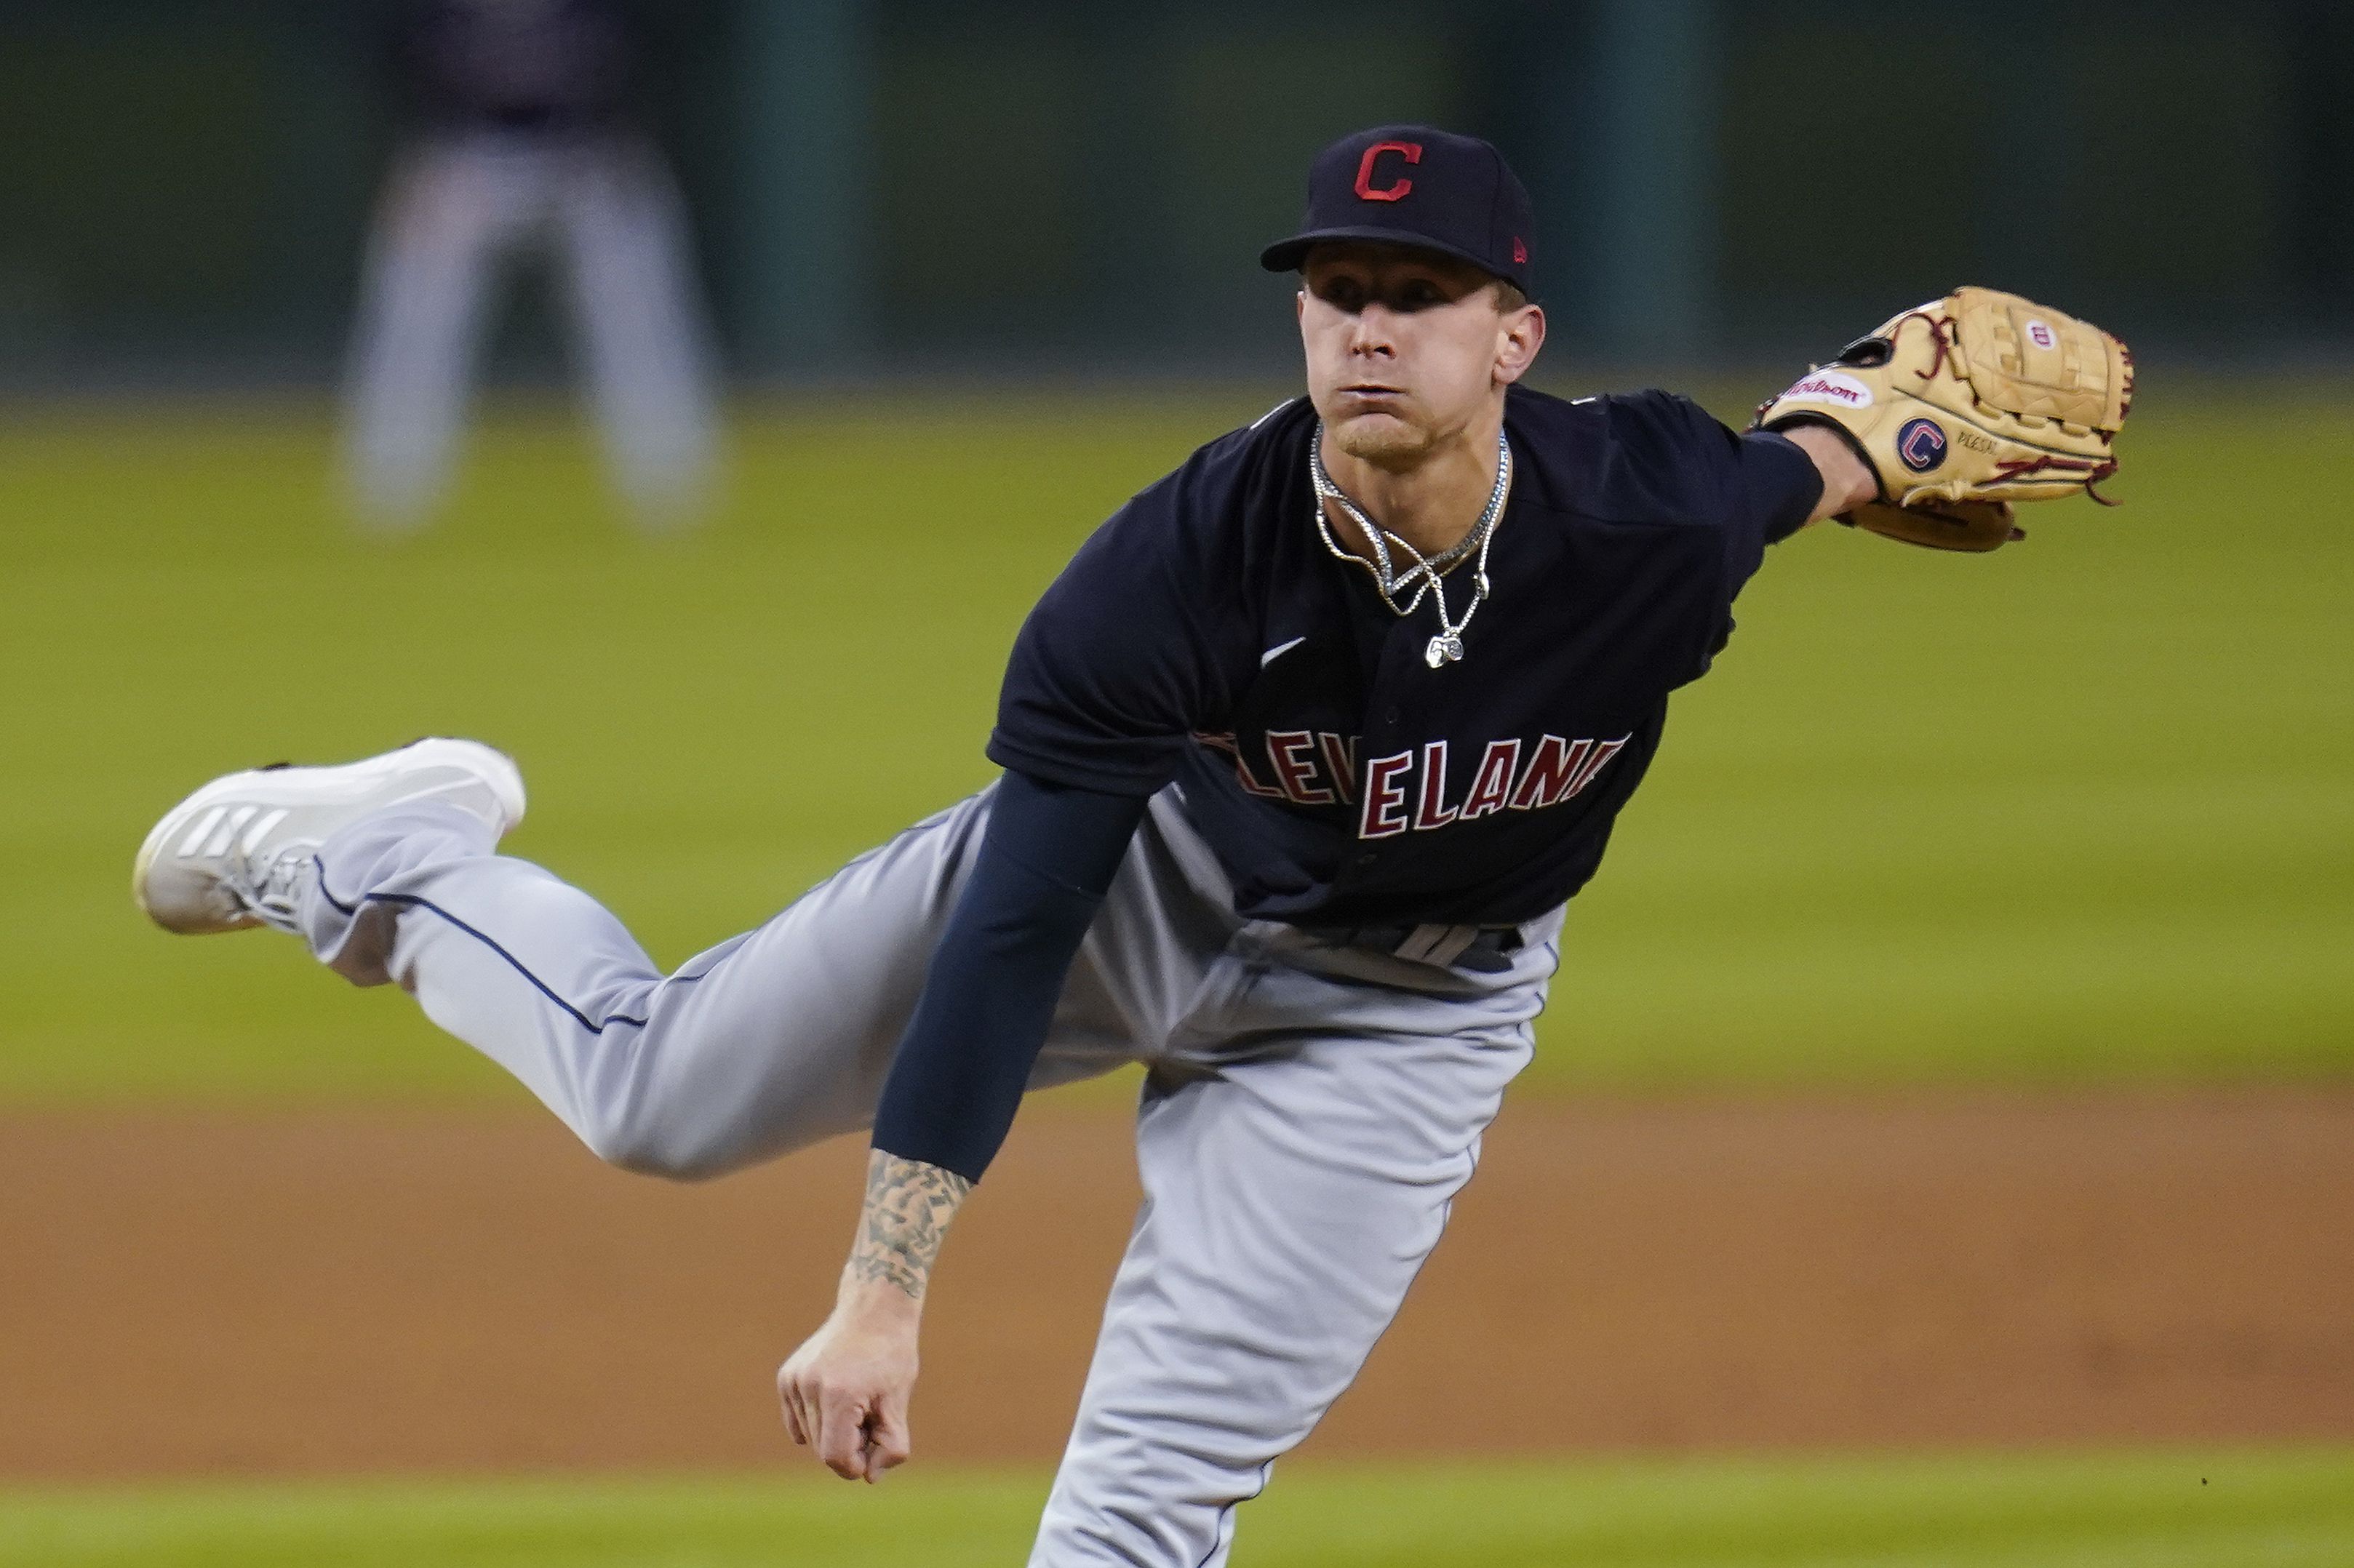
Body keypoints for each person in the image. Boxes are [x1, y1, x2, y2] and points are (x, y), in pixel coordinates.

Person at [135, 127, 2117, 1567]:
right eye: (1335, 292)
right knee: (655, 1097)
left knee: (1151, 1502)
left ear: (1512, 332)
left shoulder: (1655, 520)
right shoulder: (1163, 573)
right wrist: (886, 1287)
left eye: (1415, 298)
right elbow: (1013, 920)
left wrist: (1872, 436)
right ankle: (394, 861)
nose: (1362, 329)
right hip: (1143, 884)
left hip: (1400, 1023)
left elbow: (1819, 460)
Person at [340, 0, 719, 530]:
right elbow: (390, 74)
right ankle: (391, 487)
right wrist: (411, 157)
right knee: (416, 316)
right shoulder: (428, 16)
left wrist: (631, 139)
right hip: (462, 157)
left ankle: (671, 482)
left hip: (590, 155)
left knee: (640, 311)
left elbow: (655, 62)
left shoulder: (611, 15)